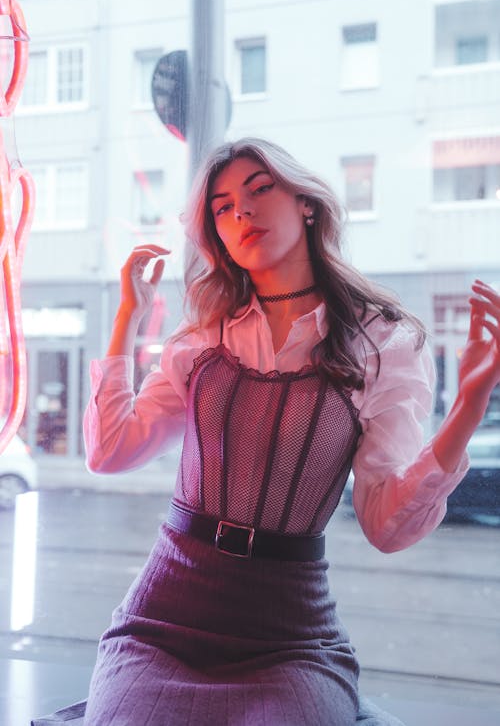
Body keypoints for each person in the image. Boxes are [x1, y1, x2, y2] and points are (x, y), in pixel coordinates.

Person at [81, 138, 499, 726]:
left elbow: (385, 526)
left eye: (259, 189)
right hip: (163, 617)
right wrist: (127, 316)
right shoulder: (202, 338)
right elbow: (108, 452)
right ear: (216, 235)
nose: (242, 213)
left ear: (306, 203)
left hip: (291, 632)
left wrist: (468, 409)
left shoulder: (383, 342)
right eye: (222, 208)